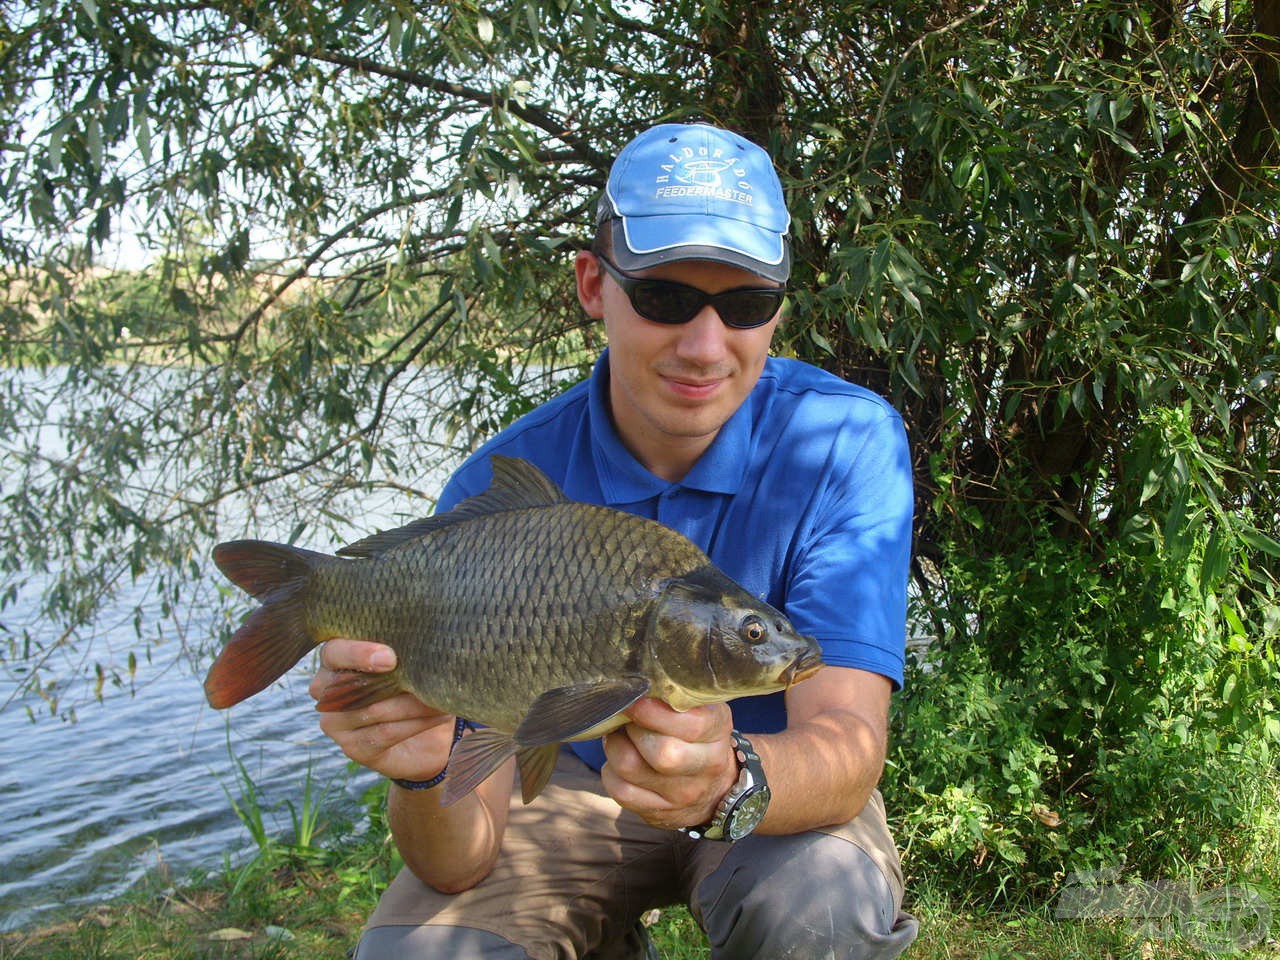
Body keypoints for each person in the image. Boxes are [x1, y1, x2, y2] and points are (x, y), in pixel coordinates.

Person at [311, 121, 920, 960]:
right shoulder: (502, 488)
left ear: (780, 306)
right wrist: (419, 773)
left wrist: (727, 779)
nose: (705, 345)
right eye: (666, 298)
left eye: (744, 304)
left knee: (821, 908)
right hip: (561, 779)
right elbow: (458, 861)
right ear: (594, 284)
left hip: (768, 786)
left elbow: (848, 751)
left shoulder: (845, 443)